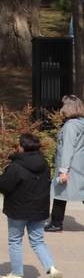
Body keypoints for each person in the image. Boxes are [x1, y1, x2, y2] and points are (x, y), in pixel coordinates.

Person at [0, 131, 64, 278]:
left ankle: (17, 275)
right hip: (39, 209)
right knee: (38, 241)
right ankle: (52, 269)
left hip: (18, 209)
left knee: (15, 240)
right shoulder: (44, 163)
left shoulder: (16, 166)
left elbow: (4, 184)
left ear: (22, 147)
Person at [49, 93, 84, 231]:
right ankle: (56, 222)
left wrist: (63, 170)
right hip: (79, 165)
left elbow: (67, 148)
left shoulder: (71, 125)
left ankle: (56, 223)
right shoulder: (81, 123)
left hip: (70, 166)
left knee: (60, 194)